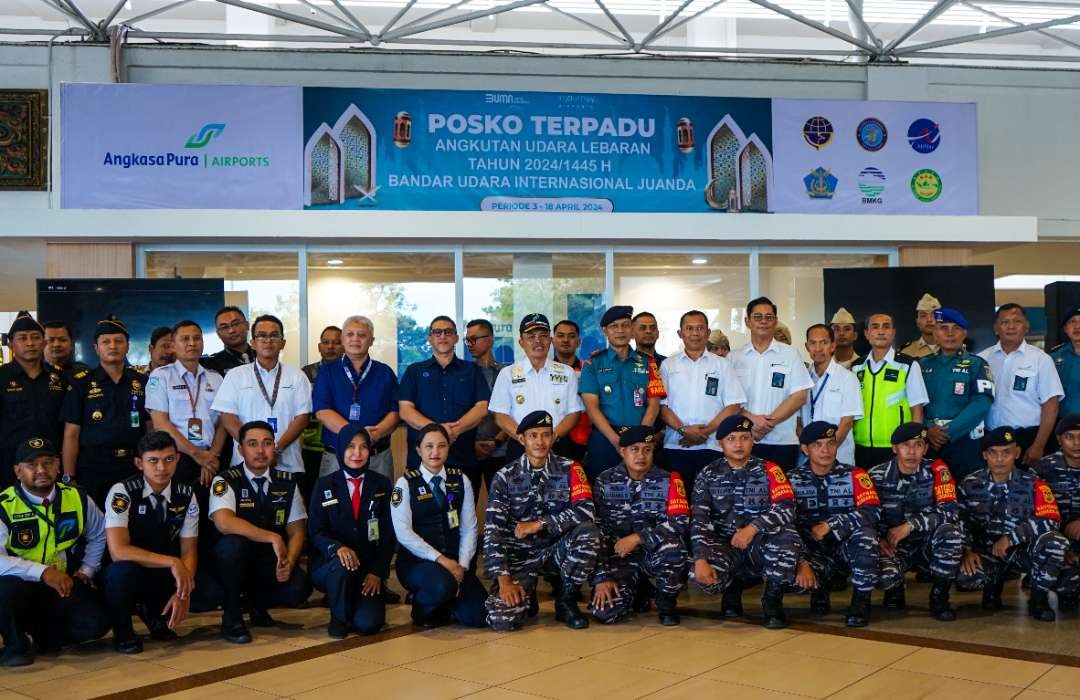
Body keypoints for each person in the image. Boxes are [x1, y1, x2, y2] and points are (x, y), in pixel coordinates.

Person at [101, 431, 222, 654]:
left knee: (209, 592)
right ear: (139, 463)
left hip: (163, 571)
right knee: (120, 574)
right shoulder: (122, 492)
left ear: (177, 459)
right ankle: (123, 631)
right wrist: (173, 562)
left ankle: (154, 613)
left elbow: (189, 549)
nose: (161, 468)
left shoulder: (186, 494)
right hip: (132, 568)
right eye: (153, 461)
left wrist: (182, 591)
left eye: (168, 459)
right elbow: (118, 551)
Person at [483, 411, 600, 632]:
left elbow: (586, 511)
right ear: (522, 439)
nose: (540, 441)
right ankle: (527, 595)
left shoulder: (571, 469)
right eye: (533, 435)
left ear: (554, 437)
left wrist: (541, 524)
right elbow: (493, 531)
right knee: (502, 619)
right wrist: (504, 581)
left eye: (546, 435)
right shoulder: (505, 476)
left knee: (588, 532)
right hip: (520, 557)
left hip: (556, 550)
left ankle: (566, 600)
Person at [0, 437, 109, 667]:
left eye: (48, 462)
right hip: (19, 585)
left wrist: (87, 569)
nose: (41, 470)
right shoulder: (4, 506)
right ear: (18, 471)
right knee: (5, 588)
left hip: (61, 584)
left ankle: (45, 637)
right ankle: (15, 646)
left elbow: (99, 533)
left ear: (58, 466)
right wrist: (42, 572)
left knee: (97, 623)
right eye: (32, 465)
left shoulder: (77, 497)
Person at [689, 415, 802, 629]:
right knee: (697, 572)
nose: (738, 444)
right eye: (731, 439)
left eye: (744, 438)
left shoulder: (770, 470)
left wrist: (752, 528)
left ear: (753, 440)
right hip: (725, 545)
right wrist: (700, 559)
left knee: (788, 538)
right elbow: (699, 521)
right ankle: (732, 586)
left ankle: (772, 600)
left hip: (760, 542)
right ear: (719, 443)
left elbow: (787, 507)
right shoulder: (707, 475)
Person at [208, 420, 310, 643]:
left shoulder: (286, 482)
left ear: (274, 447)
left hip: (267, 562)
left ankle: (258, 606)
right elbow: (223, 522)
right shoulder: (225, 480)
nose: (261, 450)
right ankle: (232, 617)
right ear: (240, 449)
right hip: (233, 561)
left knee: (299, 588)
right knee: (232, 546)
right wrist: (272, 537)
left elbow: (297, 530)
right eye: (252, 444)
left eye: (267, 443)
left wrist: (290, 562)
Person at [957, 426, 1068, 622]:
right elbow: (959, 520)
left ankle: (1039, 599)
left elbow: (1051, 519)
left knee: (1055, 542)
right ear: (985, 455)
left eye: (1006, 453)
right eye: (993, 453)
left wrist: (1011, 537)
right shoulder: (969, 484)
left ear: (1016, 453)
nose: (999, 459)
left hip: (1021, 552)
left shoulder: (1034, 483)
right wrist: (967, 550)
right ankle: (993, 586)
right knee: (966, 578)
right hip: (987, 553)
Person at [591, 426, 689, 626]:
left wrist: (638, 538)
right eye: (634, 449)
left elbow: (679, 522)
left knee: (674, 550)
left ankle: (666, 602)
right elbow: (596, 528)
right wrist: (601, 577)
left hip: (654, 554)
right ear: (622, 451)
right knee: (605, 613)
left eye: (647, 449)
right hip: (619, 557)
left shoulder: (669, 480)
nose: (641, 455)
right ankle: (637, 590)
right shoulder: (605, 480)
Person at [391, 423, 486, 628]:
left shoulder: (461, 480)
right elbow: (403, 533)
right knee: (442, 585)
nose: (435, 452)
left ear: (448, 448)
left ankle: (445, 603)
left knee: (478, 617)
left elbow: (469, 528)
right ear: (418, 450)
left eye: (441, 446)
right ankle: (422, 608)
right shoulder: (404, 484)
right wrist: (443, 561)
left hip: (456, 562)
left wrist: (462, 567)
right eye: (429, 446)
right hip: (417, 563)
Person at [789, 422, 880, 627]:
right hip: (811, 550)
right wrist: (801, 562)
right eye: (817, 445)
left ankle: (860, 602)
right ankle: (819, 589)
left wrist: (832, 524)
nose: (825, 450)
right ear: (805, 449)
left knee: (866, 535)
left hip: (845, 548)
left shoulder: (856, 475)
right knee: (784, 559)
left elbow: (871, 510)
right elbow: (785, 522)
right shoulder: (791, 479)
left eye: (831, 443)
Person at [868, 422, 961, 622]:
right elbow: (865, 515)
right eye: (905, 445)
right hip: (892, 547)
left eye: (918, 445)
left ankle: (939, 598)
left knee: (951, 533)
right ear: (894, 448)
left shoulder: (938, 472)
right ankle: (894, 588)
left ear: (925, 449)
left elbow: (951, 512)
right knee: (881, 575)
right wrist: (878, 540)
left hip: (927, 545)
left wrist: (911, 525)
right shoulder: (875, 475)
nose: (912, 451)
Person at [308, 424, 395, 638]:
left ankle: (350, 599)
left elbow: (389, 534)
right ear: (339, 449)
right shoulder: (324, 485)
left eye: (363, 447)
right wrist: (336, 548)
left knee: (368, 625)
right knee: (341, 565)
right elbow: (316, 531)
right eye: (350, 446)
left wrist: (377, 572)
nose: (357, 453)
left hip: (367, 572)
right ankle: (338, 618)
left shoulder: (382, 484)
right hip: (331, 565)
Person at [61, 315, 148, 507]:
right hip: (93, 467)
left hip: (133, 465)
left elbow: (150, 429)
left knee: (134, 522)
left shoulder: (142, 381)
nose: (113, 346)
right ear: (96, 348)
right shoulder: (81, 382)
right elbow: (71, 435)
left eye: (119, 341)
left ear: (127, 345)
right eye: (106, 342)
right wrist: (69, 477)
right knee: (95, 526)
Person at [398, 316, 491, 492]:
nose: (443, 336)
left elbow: (481, 408)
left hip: (463, 459)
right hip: (422, 462)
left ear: (456, 338)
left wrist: (454, 430)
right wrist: (438, 431)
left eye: (448, 332)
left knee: (463, 517)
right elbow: (405, 411)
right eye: (437, 332)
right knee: (423, 517)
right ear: (429, 338)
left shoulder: (471, 370)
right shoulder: (414, 371)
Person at [211, 314, 311, 477]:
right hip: (244, 465)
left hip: (287, 465)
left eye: (274, 335)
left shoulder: (297, 376)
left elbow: (302, 419)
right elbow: (227, 417)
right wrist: (250, 449)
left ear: (283, 343)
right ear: (253, 343)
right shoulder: (236, 375)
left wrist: (276, 449)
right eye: (261, 335)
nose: (268, 340)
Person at [659, 310, 745, 495]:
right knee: (680, 499)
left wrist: (706, 432)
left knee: (715, 499)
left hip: (712, 445)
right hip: (677, 445)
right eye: (689, 328)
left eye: (700, 328)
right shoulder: (668, 365)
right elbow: (661, 406)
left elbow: (734, 405)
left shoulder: (722, 364)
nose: (695, 333)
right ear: (680, 333)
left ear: (707, 332)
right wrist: (684, 430)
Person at [579, 306, 667, 480]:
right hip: (605, 439)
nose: (620, 330)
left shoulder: (648, 363)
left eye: (625, 325)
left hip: (640, 441)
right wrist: (615, 440)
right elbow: (592, 408)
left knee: (642, 491)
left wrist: (640, 438)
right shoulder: (592, 364)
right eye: (614, 326)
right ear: (605, 331)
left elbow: (654, 404)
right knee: (601, 490)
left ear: (632, 330)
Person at [313, 316, 398, 482]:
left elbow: (395, 411)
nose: (355, 339)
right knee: (332, 506)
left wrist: (378, 432)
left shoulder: (385, 372)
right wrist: (356, 436)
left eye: (362, 335)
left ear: (371, 340)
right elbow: (322, 411)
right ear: (343, 339)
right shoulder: (327, 371)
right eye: (350, 334)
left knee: (380, 506)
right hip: (337, 456)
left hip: (377, 456)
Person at [490, 313, 583, 465]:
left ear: (550, 340)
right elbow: (500, 415)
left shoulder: (567, 372)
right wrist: (524, 439)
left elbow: (574, 413)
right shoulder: (507, 374)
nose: (538, 341)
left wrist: (552, 437)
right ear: (521, 342)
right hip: (519, 445)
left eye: (543, 335)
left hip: (558, 445)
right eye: (531, 336)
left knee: (561, 489)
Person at [732, 297, 812, 471]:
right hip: (742, 441)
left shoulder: (791, 355)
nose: (763, 321)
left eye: (769, 317)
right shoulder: (734, 357)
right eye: (758, 317)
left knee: (782, 495)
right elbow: (729, 400)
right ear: (747, 321)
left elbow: (799, 396)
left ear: (775, 321)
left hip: (782, 441)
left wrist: (766, 425)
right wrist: (752, 420)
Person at [979, 304, 1063, 465]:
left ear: (1026, 327)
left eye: (1017, 321)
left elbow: (1051, 405)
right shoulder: (982, 359)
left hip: (1029, 438)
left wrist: (1039, 445)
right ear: (996, 328)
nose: (1011, 326)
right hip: (992, 438)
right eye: (1005, 322)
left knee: (1030, 487)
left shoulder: (1041, 359)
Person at [146, 320, 225, 488]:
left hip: (211, 457)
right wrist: (197, 455)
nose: (192, 343)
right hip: (176, 458)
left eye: (197, 338)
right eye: (185, 338)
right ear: (173, 345)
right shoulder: (160, 377)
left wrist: (212, 456)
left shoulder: (216, 378)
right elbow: (160, 423)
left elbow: (223, 423)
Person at [921, 308, 995, 479]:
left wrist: (948, 432)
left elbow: (982, 403)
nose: (950, 333)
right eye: (943, 328)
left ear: (964, 334)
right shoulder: (922, 365)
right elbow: (915, 404)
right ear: (935, 333)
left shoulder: (977, 364)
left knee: (969, 492)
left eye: (956, 328)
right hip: (929, 442)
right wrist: (928, 428)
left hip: (964, 442)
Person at [851, 314, 929, 470]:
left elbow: (917, 410)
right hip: (860, 446)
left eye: (886, 327)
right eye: (875, 327)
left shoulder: (908, 365)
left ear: (893, 332)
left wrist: (911, 445)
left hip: (896, 447)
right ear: (866, 333)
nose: (881, 331)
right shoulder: (856, 367)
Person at [0, 312, 67, 490]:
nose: (30, 343)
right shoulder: (2, 377)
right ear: (11, 344)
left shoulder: (59, 378)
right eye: (22, 338)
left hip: (51, 463)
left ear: (44, 342)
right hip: (10, 462)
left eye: (36, 337)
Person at [1031, 413, 1080, 608]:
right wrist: (1062, 546)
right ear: (1059, 439)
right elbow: (1030, 513)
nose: (1077, 443)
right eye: (1070, 437)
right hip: (1056, 541)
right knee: (1067, 583)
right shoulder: (1042, 469)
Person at [800, 324, 863, 467]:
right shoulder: (802, 378)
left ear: (833, 346)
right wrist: (809, 451)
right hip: (807, 459)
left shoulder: (848, 378)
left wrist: (826, 451)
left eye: (824, 342)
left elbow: (846, 422)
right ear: (806, 346)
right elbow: (798, 421)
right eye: (813, 343)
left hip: (839, 457)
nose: (818, 348)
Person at [466, 319, 509, 492]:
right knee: (464, 507)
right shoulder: (464, 373)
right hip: (469, 450)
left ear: (489, 340)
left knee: (504, 505)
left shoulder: (506, 373)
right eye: (467, 340)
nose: (470, 344)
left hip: (501, 449)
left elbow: (515, 412)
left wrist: (497, 441)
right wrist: (471, 444)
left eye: (474, 339)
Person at [300, 325, 343, 502]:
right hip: (310, 446)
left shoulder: (349, 373)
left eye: (336, 342)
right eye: (326, 342)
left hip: (338, 445)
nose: (330, 347)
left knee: (335, 495)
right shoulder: (305, 373)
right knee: (309, 494)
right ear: (319, 346)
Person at [552, 319, 590, 462]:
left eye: (571, 336)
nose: (566, 340)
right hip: (552, 438)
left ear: (578, 342)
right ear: (553, 341)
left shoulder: (589, 370)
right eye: (561, 336)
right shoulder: (542, 371)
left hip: (582, 440)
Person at [201, 306, 255, 376]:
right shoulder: (211, 365)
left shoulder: (263, 355)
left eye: (235, 324)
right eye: (224, 327)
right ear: (218, 334)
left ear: (247, 325)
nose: (231, 330)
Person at [1052, 304, 1080, 421]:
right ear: (1065, 329)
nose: (1077, 326)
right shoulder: (1054, 358)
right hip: (1065, 426)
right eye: (1072, 322)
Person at [899, 293, 942, 359]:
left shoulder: (955, 348)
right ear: (917, 322)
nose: (929, 320)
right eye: (923, 316)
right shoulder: (906, 352)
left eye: (933, 315)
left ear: (941, 319)